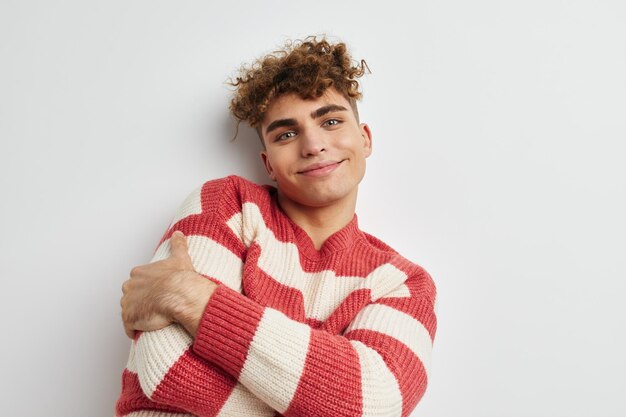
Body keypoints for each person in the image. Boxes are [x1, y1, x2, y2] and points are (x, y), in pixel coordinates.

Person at [116, 36, 437, 417]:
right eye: (287, 134)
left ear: (364, 139)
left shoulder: (401, 281)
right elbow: (168, 370)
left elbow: (375, 401)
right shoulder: (227, 204)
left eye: (331, 121)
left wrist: (192, 297)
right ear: (268, 163)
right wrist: (321, 397)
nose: (313, 145)